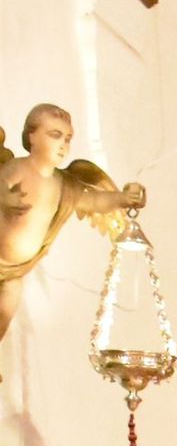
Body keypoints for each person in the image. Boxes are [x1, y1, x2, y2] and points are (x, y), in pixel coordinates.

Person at [0, 103, 145, 361]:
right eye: (55, 135)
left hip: (15, 270)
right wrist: (5, 199)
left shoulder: (64, 184)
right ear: (31, 136)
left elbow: (93, 202)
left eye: (67, 138)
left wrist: (123, 198)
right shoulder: (18, 169)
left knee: (5, 310)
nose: (63, 144)